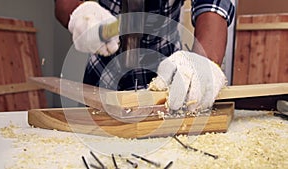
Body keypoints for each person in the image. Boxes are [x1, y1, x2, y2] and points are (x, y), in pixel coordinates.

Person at [54, 0, 235, 112]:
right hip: (102, 75)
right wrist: (80, 15)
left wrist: (203, 62)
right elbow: (64, 4)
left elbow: (212, 5)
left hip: (166, 77)